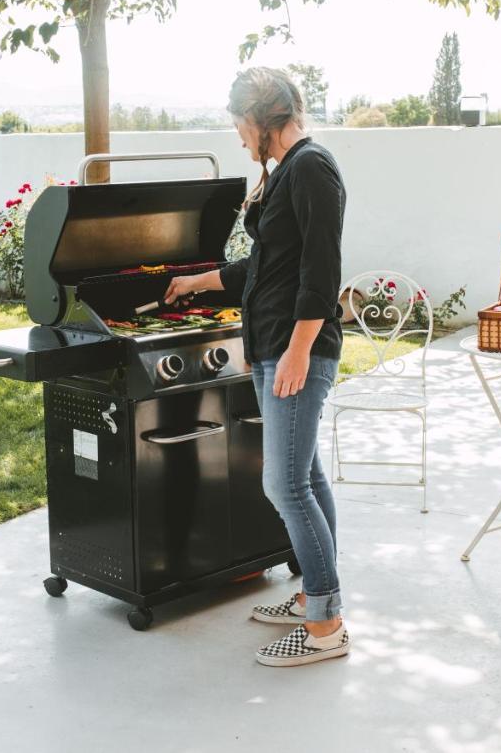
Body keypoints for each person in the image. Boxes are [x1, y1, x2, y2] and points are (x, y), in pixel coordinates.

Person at [164, 67, 348, 666]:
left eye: (239, 127)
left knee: (284, 484)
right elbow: (267, 268)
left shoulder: (312, 167)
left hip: (297, 348)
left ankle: (325, 626)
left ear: (256, 120)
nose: (239, 139)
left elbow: (321, 272)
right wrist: (200, 279)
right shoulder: (291, 171)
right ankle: (312, 598)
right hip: (273, 344)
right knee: (308, 478)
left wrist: (298, 350)